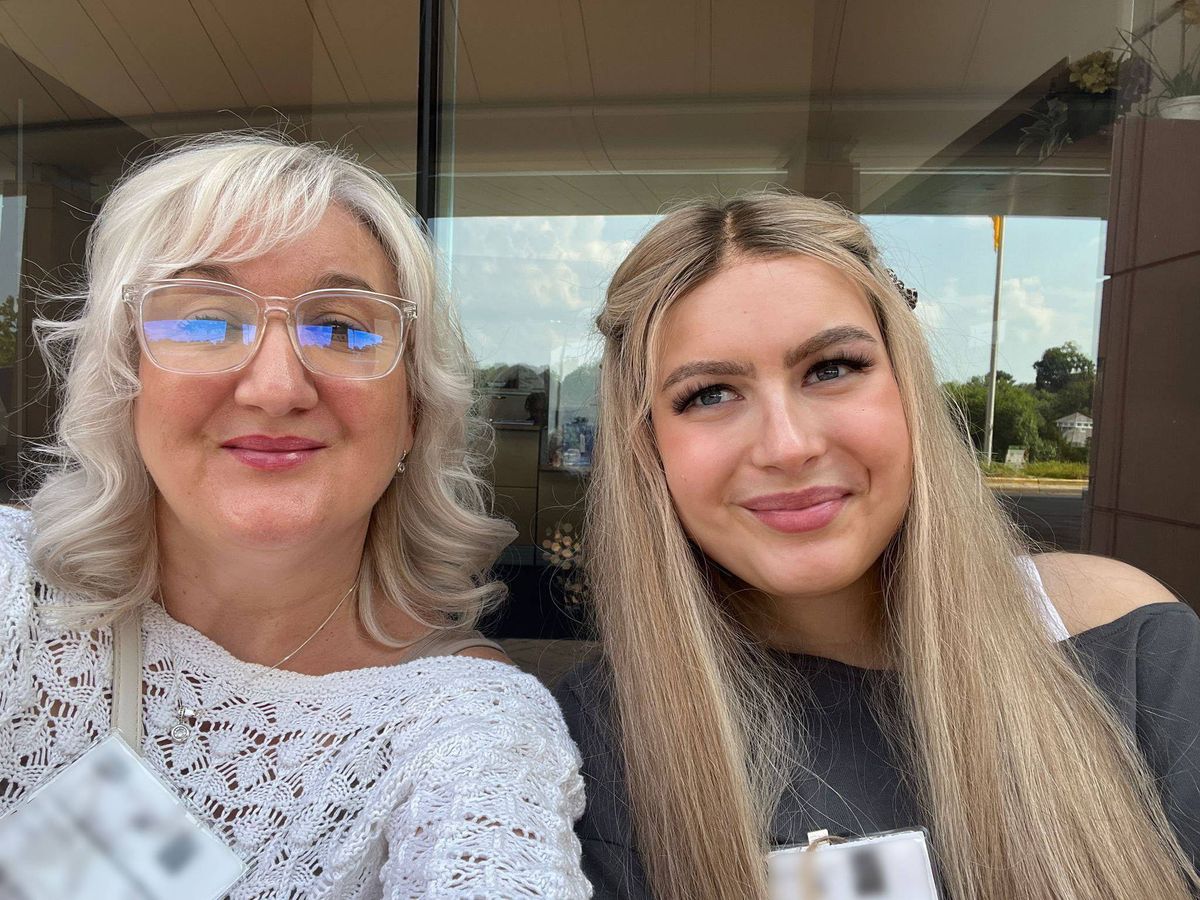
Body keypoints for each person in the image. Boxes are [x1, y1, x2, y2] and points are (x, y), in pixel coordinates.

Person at [555, 193, 1200, 899]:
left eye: (831, 368)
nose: (789, 446)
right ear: (647, 444)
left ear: (906, 387)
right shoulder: (592, 744)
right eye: (709, 393)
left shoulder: (1122, 643)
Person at [0, 134, 590, 898]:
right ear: (125, 379)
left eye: (341, 328)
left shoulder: (466, 733)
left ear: (414, 408)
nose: (276, 388)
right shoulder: (17, 596)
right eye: (206, 320)